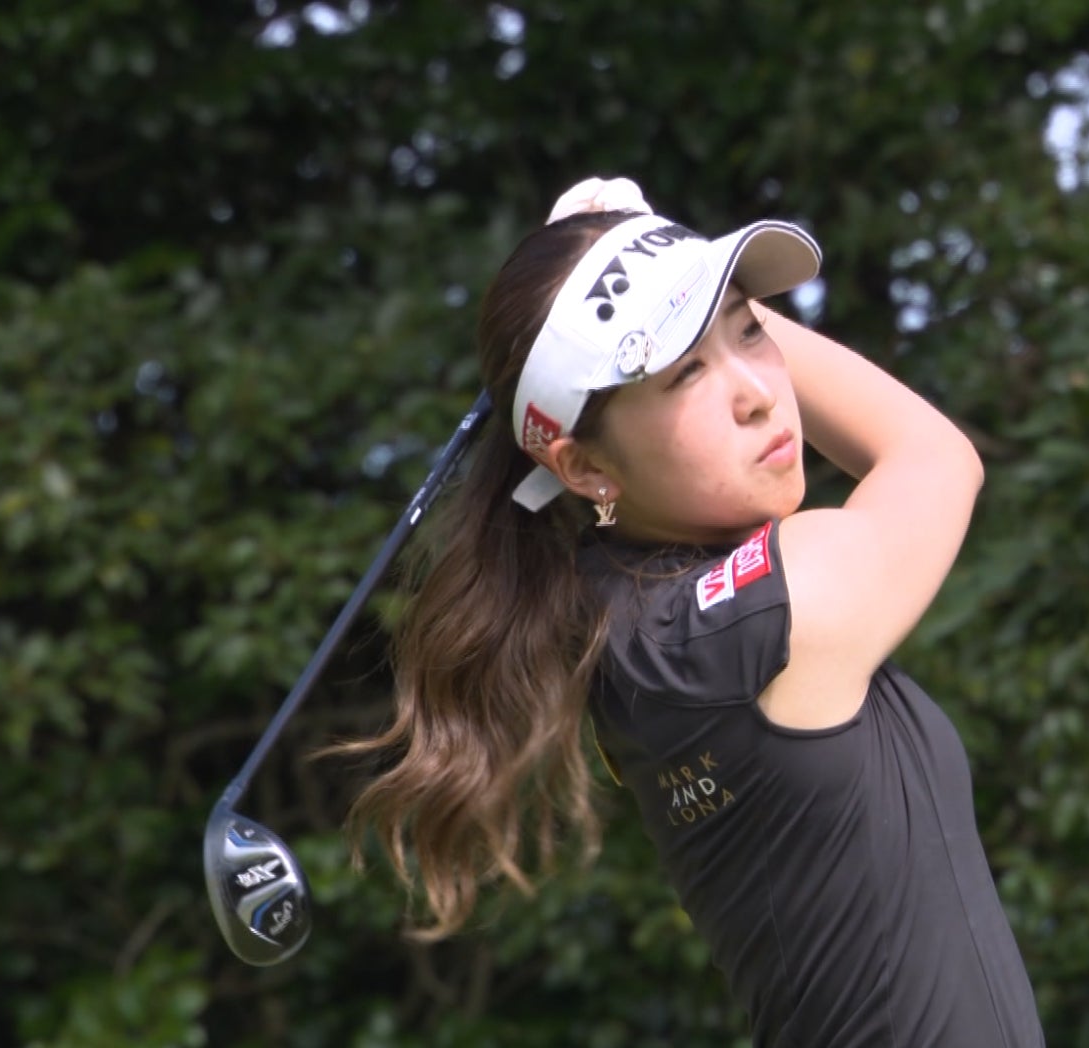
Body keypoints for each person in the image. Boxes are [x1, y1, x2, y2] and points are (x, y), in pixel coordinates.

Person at [333, 176, 1044, 1046]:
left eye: (748, 330)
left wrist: (662, 263)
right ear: (585, 468)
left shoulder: (629, 611)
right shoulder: (751, 620)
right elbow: (933, 455)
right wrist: (663, 261)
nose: (757, 393)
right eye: (684, 375)